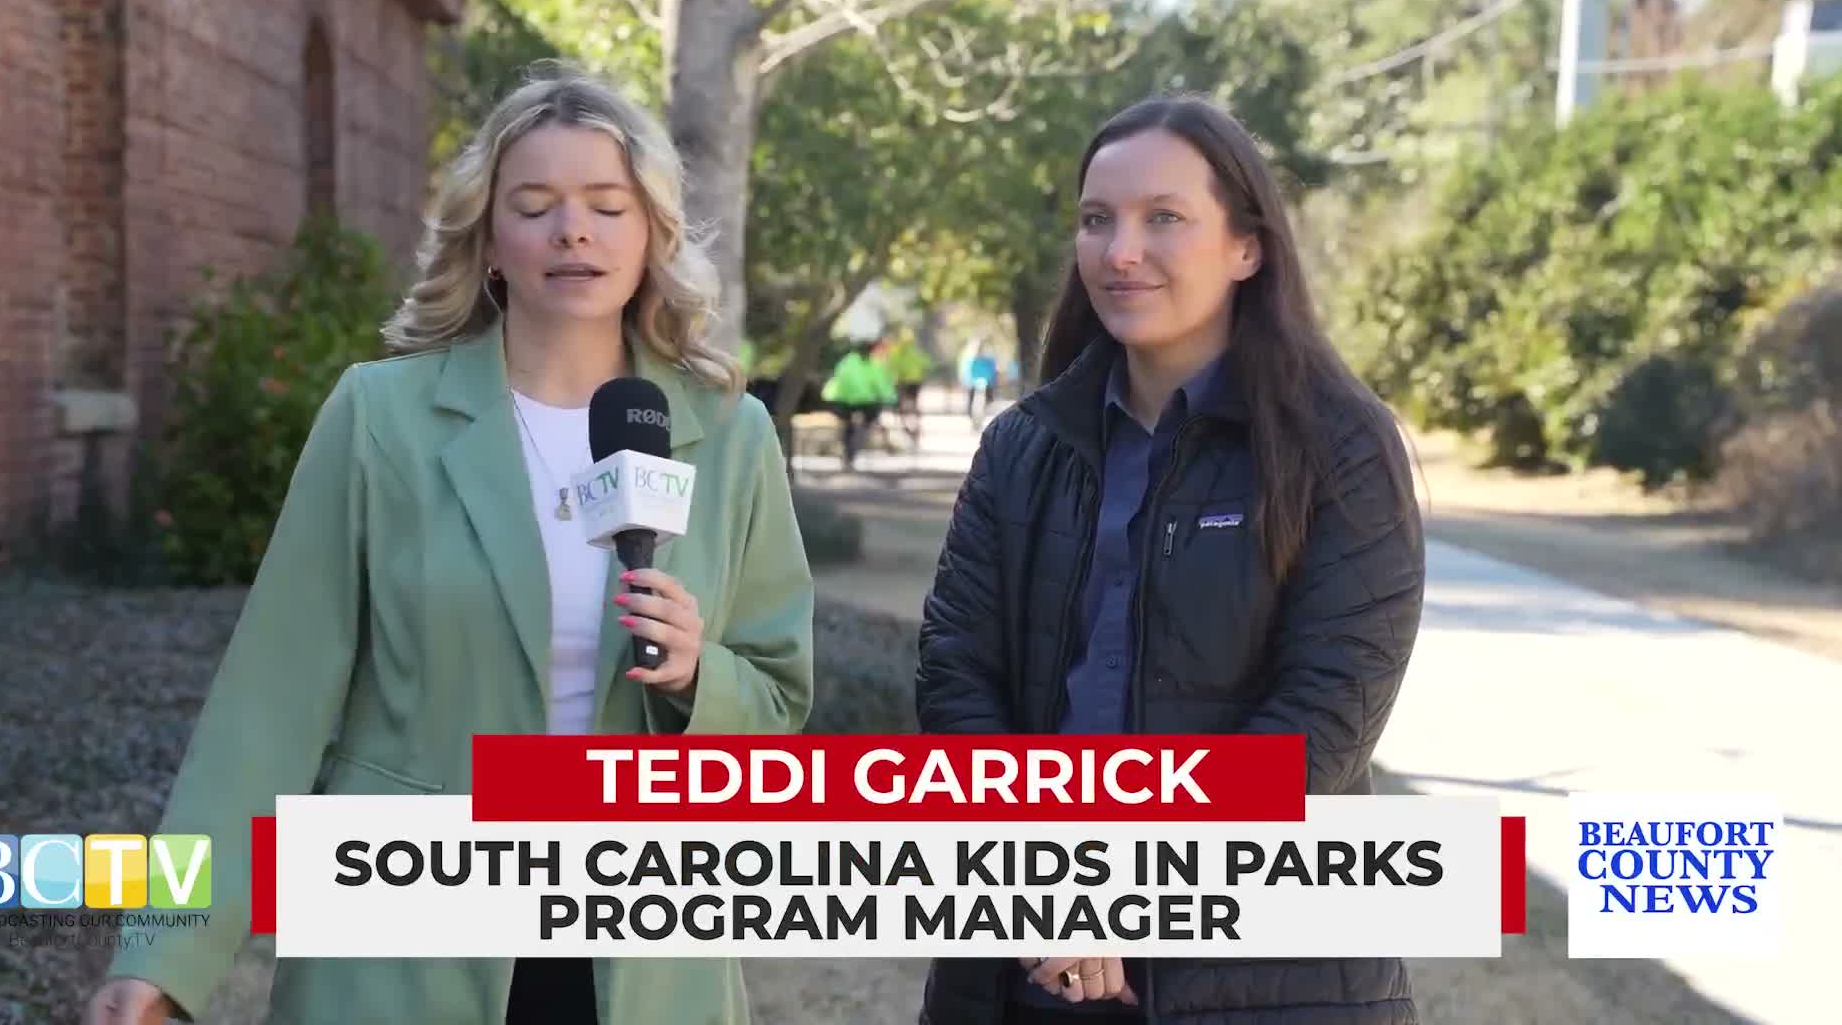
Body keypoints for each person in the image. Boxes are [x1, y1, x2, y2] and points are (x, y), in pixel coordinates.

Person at [84, 62, 815, 1025]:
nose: (574, 232)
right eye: (536, 205)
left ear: (651, 237)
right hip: (403, 945)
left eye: (607, 205)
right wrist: (164, 955)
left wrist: (694, 676)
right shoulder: (380, 418)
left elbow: (775, 702)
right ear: (490, 242)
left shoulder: (730, 435)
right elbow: (269, 706)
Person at [915, 93, 1425, 1024]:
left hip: (1270, 977)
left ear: (1247, 248)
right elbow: (957, 677)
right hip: (1030, 959)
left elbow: (1324, 717)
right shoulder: (1021, 446)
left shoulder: (1341, 447)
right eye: (1097, 219)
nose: (1120, 251)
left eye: (1165, 220)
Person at [821, 338, 896, 468]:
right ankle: (852, 447)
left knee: (849, 426)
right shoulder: (871, 363)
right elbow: (881, 384)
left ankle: (849, 449)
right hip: (860, 401)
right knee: (863, 424)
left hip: (847, 400)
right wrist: (889, 397)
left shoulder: (849, 361)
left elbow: (838, 378)